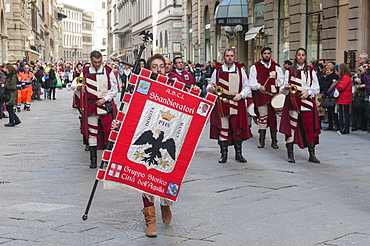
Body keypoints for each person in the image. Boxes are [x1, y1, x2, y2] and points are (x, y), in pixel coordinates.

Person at [111, 53, 171, 238]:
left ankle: (165, 204)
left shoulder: (174, 88)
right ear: (149, 69)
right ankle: (150, 220)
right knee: (144, 179)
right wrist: (119, 123)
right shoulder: (141, 87)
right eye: (155, 66)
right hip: (146, 139)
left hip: (167, 137)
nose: (159, 69)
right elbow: (131, 109)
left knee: (165, 175)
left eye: (161, 66)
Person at [207, 48, 251, 163]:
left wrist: (241, 95)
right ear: (224, 57)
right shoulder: (217, 70)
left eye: (231, 55)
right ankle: (224, 154)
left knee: (237, 128)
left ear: (234, 57)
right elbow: (210, 86)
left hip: (237, 102)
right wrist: (211, 88)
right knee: (223, 129)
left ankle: (238, 154)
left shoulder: (240, 70)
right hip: (222, 103)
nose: (230, 58)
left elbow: (247, 86)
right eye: (227, 56)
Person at [76, 50, 118, 168]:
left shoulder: (109, 71)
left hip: (105, 105)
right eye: (95, 62)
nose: (97, 64)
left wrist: (105, 99)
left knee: (109, 131)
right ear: (91, 60)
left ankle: (108, 159)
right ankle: (93, 160)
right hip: (91, 106)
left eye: (99, 62)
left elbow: (114, 89)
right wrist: (77, 87)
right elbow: (79, 83)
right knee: (92, 133)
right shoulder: (84, 72)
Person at [279, 47, 321, 163]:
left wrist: (309, 93)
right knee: (291, 128)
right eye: (299, 55)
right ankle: (290, 154)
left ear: (305, 57)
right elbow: (282, 89)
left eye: (303, 55)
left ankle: (312, 154)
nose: (301, 57)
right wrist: (285, 87)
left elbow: (316, 88)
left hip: (307, 102)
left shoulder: (311, 70)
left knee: (309, 127)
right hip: (293, 102)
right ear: (295, 56)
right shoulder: (289, 70)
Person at [249, 47, 284, 149]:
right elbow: (252, 81)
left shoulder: (276, 66)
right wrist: (258, 86)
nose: (267, 55)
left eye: (268, 53)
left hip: (273, 96)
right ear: (261, 55)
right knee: (262, 117)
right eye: (265, 53)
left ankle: (274, 141)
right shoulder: (255, 67)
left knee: (273, 118)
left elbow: (281, 80)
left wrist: (279, 85)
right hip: (261, 96)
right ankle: (261, 140)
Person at [320, 64, 339, 130]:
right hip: (327, 95)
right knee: (329, 111)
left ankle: (336, 124)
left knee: (333, 111)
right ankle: (331, 124)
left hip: (332, 95)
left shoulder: (334, 77)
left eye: (328, 70)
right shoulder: (325, 77)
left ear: (332, 71)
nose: (327, 72)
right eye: (326, 70)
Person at [336, 63, 352, 134]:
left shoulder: (345, 77)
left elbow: (341, 87)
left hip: (344, 98)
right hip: (343, 98)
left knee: (344, 114)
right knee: (343, 114)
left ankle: (344, 129)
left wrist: (336, 83)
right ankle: (343, 129)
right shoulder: (345, 77)